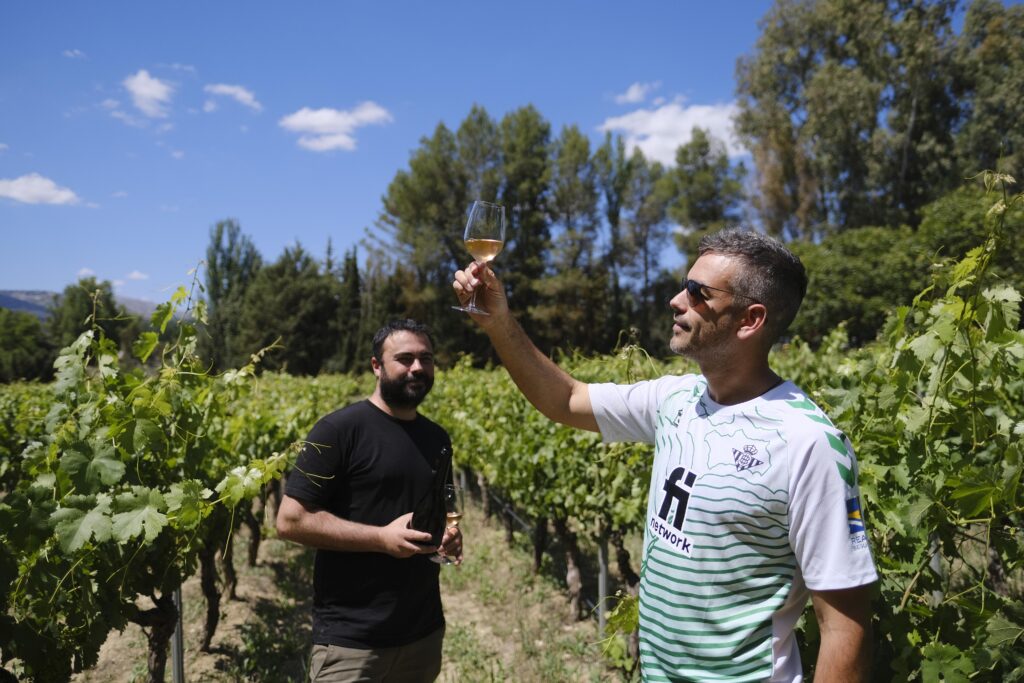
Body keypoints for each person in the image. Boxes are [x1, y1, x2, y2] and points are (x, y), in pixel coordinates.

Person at [453, 229, 877, 682]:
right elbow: (566, 399)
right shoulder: (677, 399)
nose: (677, 300)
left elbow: (844, 626)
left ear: (750, 320)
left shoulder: (807, 442)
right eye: (683, 284)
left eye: (698, 293)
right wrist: (498, 322)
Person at [276, 319, 461, 683]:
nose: (418, 368)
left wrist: (448, 536)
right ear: (376, 365)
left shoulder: (437, 438)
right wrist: (380, 539)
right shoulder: (337, 431)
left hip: (422, 636)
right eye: (404, 359)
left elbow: (441, 511)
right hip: (352, 642)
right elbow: (290, 520)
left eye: (426, 358)